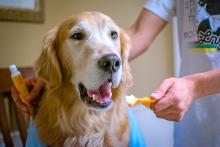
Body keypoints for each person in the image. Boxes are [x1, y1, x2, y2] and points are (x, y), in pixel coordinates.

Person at [12, 0, 220, 146]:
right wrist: (47, 71)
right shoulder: (40, 129)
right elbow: (138, 33)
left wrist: (195, 86)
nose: (112, 59)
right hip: (196, 129)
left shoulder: (127, 128)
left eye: (112, 35)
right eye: (77, 36)